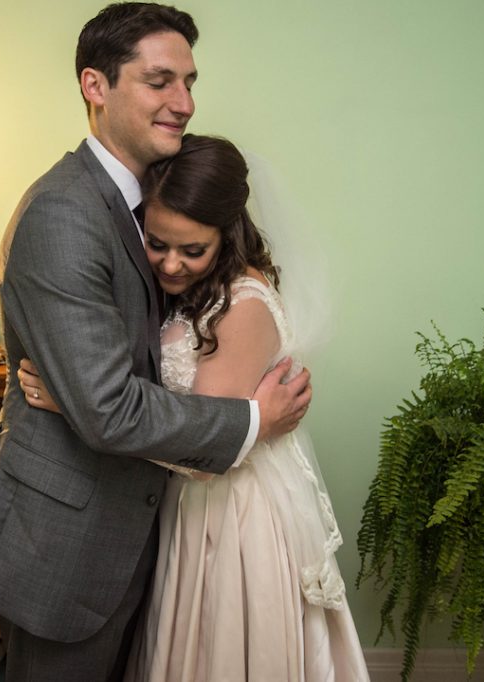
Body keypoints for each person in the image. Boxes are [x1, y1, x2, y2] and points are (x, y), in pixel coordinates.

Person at [0, 4, 312, 681]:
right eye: (160, 82)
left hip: (144, 532)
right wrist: (254, 419)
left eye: (188, 82)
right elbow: (108, 409)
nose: (182, 103)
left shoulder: (147, 203)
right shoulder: (66, 214)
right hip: (65, 551)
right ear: (96, 86)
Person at [21, 135, 370, 681]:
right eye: (158, 244)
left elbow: (200, 449)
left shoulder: (241, 306)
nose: (171, 264)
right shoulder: (197, 291)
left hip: (229, 515)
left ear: (226, 236)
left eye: (193, 250)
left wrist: (78, 406)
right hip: (193, 507)